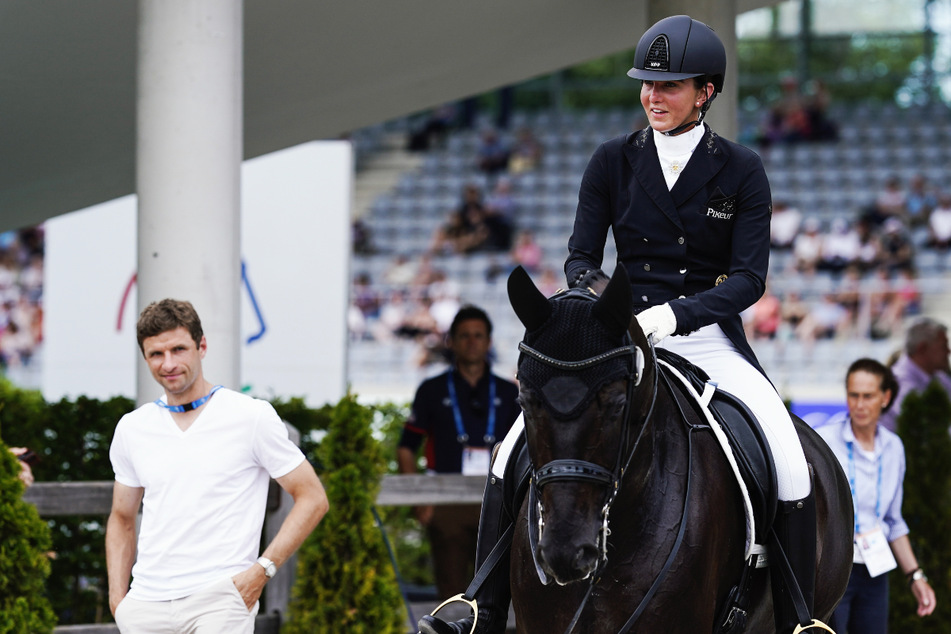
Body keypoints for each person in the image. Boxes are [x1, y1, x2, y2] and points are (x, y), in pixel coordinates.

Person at [420, 15, 817, 634]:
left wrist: (675, 315)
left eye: (671, 86)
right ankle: (481, 605)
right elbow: (581, 257)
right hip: (622, 334)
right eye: (647, 85)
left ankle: (800, 621)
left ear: (706, 90)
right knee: (507, 453)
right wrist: (592, 303)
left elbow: (748, 281)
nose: (653, 97)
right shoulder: (612, 161)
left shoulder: (741, 168)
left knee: (788, 457)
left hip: (706, 336)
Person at [105, 299, 329, 633]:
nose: (168, 363)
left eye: (179, 349)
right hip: (145, 606)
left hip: (220, 601)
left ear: (202, 346)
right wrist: (119, 601)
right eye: (156, 354)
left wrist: (262, 571)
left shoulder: (250, 416)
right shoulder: (132, 428)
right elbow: (122, 517)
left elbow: (313, 498)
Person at [398, 306, 520, 603]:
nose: (471, 342)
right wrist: (419, 498)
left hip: (496, 504)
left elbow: (524, 452)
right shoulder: (431, 389)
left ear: (489, 342)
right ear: (451, 341)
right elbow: (406, 448)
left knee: (497, 593)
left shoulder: (507, 392)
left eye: (478, 336)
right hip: (446, 504)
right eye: (464, 336)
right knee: (451, 593)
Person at [816, 359, 936, 632]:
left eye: (867, 396)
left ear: (886, 397)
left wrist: (915, 576)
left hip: (876, 570)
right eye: (853, 395)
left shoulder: (894, 447)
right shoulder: (823, 440)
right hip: (833, 569)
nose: (859, 404)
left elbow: (894, 522)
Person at [879, 317, 951, 433]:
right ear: (922, 348)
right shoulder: (898, 383)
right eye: (943, 346)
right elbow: (923, 432)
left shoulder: (939, 377)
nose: (948, 351)